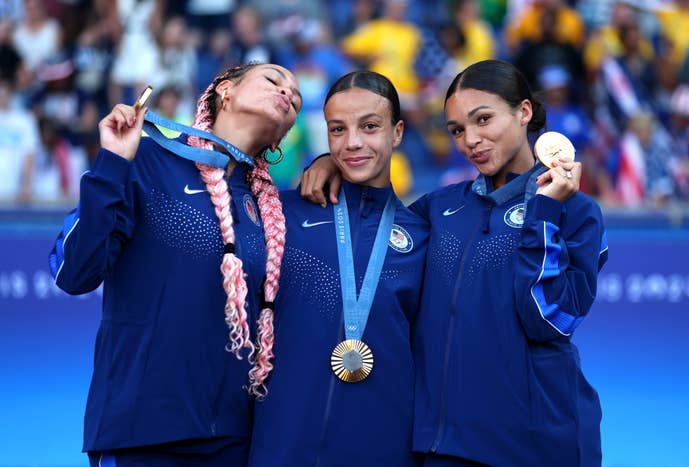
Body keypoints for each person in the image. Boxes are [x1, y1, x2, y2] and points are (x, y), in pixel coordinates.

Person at [302, 59, 608, 466]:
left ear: (524, 112)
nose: (471, 141)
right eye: (458, 130)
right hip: (443, 445)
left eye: (483, 119)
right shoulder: (441, 207)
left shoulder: (576, 212)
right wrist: (331, 163)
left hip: (535, 445)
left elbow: (549, 319)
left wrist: (545, 213)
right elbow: (373, 218)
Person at [48, 63, 302, 466]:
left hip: (235, 442)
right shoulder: (148, 162)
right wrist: (113, 162)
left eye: (297, 99)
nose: (288, 94)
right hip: (143, 433)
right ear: (225, 92)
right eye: (273, 80)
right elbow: (74, 272)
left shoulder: (272, 210)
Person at [248, 70, 429, 467]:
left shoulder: (422, 234)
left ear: (397, 132)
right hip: (281, 447)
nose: (353, 143)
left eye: (369, 126)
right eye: (337, 129)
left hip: (383, 450)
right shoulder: (284, 213)